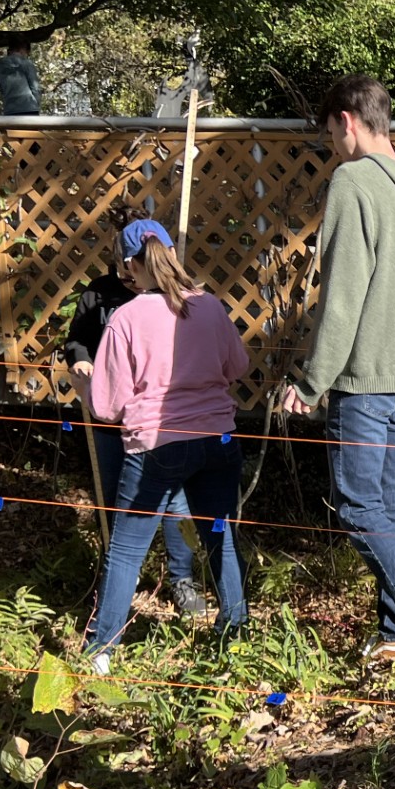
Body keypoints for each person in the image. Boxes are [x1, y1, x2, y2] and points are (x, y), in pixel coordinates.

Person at [277, 76, 395, 675]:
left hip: (363, 380)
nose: (331, 142)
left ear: (347, 121)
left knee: (358, 508)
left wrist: (311, 381)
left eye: (330, 130)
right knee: (387, 505)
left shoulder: (353, 182)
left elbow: (344, 296)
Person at [84, 219, 250, 668]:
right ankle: (236, 632)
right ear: (172, 253)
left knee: (125, 550)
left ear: (130, 266)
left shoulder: (127, 317)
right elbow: (238, 365)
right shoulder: (211, 306)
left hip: (156, 445)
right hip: (217, 439)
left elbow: (104, 404)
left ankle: (101, 650)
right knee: (220, 534)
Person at [66, 260, 211, 620]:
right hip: (109, 414)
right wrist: (81, 362)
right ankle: (114, 583)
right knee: (115, 500)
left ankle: (182, 578)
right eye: (120, 264)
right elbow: (77, 341)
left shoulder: (167, 298)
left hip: (157, 420)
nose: (127, 274)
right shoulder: (99, 292)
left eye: (133, 266)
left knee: (176, 502)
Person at [0, 37, 41, 116]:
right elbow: (35, 86)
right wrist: (36, 103)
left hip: (10, 108)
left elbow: (1, 87)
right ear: (23, 49)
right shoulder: (27, 63)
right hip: (29, 107)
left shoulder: (1, 64)